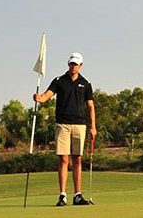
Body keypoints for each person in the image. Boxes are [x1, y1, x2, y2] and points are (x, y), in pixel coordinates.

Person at [33, 52, 97, 206]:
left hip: (80, 124)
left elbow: (90, 106)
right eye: (71, 64)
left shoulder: (86, 83)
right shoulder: (59, 81)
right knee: (63, 158)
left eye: (75, 64)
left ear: (80, 65)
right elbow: (46, 96)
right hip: (62, 124)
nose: (73, 66)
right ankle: (62, 195)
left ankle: (77, 195)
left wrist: (93, 126)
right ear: (68, 64)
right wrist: (39, 98)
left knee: (77, 159)